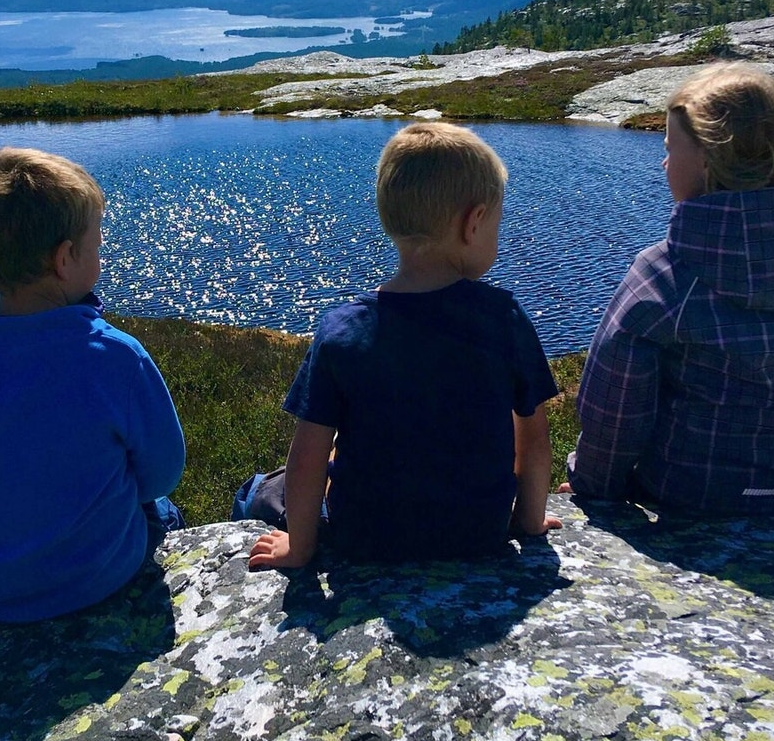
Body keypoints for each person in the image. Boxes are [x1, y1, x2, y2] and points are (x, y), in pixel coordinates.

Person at [566, 64, 774, 515]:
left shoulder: (663, 276)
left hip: (679, 495)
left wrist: (594, 486)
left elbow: (613, 416)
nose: (663, 163)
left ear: (705, 160)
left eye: (669, 149)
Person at [241, 122, 563, 570]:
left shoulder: (343, 330)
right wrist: (528, 522)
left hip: (367, 537)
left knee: (258, 492)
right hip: (478, 533)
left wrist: (299, 548)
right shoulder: (503, 317)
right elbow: (534, 435)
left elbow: (309, 453)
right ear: (473, 223)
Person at [0, 147, 186, 622]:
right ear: (67, 258)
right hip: (101, 577)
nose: (100, 251)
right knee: (164, 508)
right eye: (96, 242)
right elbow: (162, 474)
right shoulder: (117, 357)